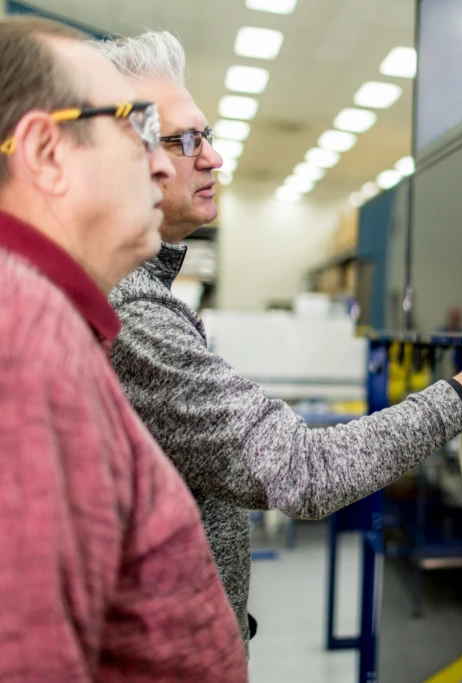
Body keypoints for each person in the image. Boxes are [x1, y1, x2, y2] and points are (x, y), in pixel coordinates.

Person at [93, 30, 462, 648]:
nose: (212, 157)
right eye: (186, 140)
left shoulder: (138, 295)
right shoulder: (130, 311)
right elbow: (303, 470)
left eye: (206, 136)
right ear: (120, 159)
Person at [0, 18, 246, 680]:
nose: (161, 163)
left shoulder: (51, 318)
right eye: (136, 129)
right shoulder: (25, 334)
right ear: (47, 154)